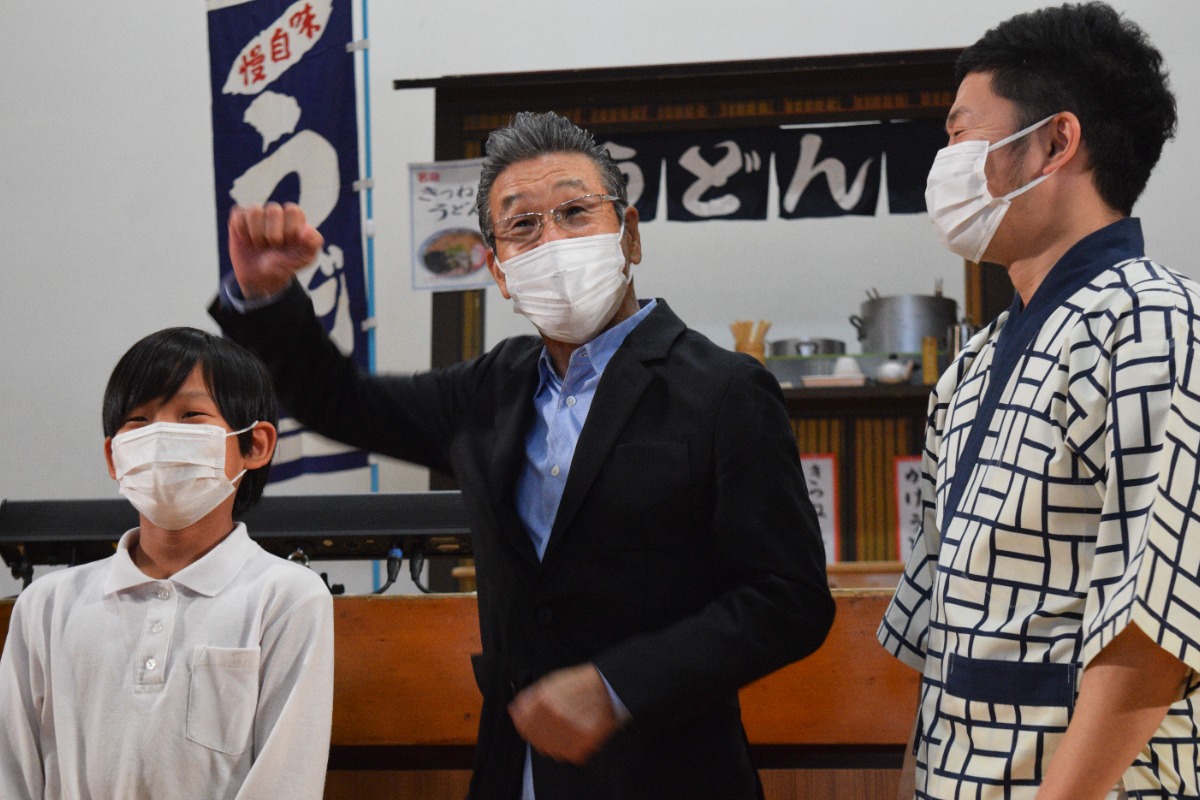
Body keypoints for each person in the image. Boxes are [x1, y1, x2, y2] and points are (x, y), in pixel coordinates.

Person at [209, 110, 834, 800]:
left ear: (628, 234)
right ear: (499, 270)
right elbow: (340, 402)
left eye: (575, 212)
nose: (553, 241)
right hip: (518, 770)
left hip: (671, 773)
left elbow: (789, 599)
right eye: (524, 226)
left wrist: (616, 686)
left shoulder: (723, 390)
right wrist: (266, 295)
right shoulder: (490, 389)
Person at [877, 4, 1197, 799]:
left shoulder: (1158, 322)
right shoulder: (973, 361)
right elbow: (941, 630)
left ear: (1056, 142)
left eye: (962, 135)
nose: (947, 162)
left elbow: (1155, 629)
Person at [0, 327, 335, 800]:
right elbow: (11, 773)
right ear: (114, 456)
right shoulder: (46, 607)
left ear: (255, 444)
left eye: (190, 415)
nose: (158, 436)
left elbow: (286, 779)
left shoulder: (286, 598)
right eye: (137, 420)